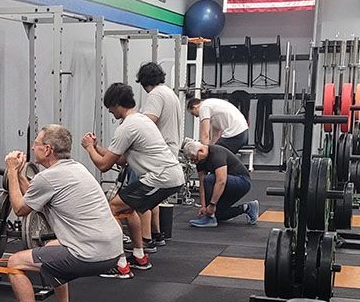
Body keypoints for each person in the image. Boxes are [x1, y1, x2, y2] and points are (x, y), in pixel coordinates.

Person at [1, 125, 123, 302]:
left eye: (36, 144)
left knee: (14, 262)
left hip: (90, 254)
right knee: (52, 246)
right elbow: (35, 197)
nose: (32, 147)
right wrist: (20, 174)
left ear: (47, 150)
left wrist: (10, 170)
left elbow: (19, 208)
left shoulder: (49, 177)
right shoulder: (76, 168)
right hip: (113, 251)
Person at [81, 83, 185, 278]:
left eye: (110, 108)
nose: (110, 112)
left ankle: (120, 264)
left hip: (160, 178)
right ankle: (139, 257)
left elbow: (103, 165)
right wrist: (97, 147)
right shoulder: (141, 120)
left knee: (111, 208)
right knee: (127, 209)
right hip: (168, 176)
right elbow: (119, 159)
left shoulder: (127, 127)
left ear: (116, 104)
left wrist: (88, 148)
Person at [136, 62, 183, 247]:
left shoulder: (155, 94)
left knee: (143, 196)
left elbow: (146, 124)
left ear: (145, 82)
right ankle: (156, 233)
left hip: (159, 153)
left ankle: (146, 240)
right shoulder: (170, 93)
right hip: (170, 150)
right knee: (155, 196)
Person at [183, 139, 258, 228]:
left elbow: (221, 181)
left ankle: (210, 218)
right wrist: (203, 206)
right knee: (218, 214)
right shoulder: (200, 160)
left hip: (242, 182)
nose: (195, 162)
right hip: (229, 183)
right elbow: (202, 185)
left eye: (194, 159)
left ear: (201, 151)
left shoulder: (216, 154)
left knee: (210, 179)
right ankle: (247, 207)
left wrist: (212, 204)